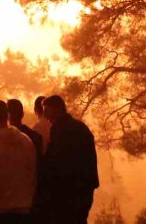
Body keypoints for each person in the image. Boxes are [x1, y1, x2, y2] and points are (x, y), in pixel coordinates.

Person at [40, 95, 99, 224]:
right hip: (85, 189)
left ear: (57, 109)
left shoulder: (59, 130)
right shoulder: (81, 127)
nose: (45, 116)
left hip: (67, 191)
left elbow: (53, 162)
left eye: (46, 112)